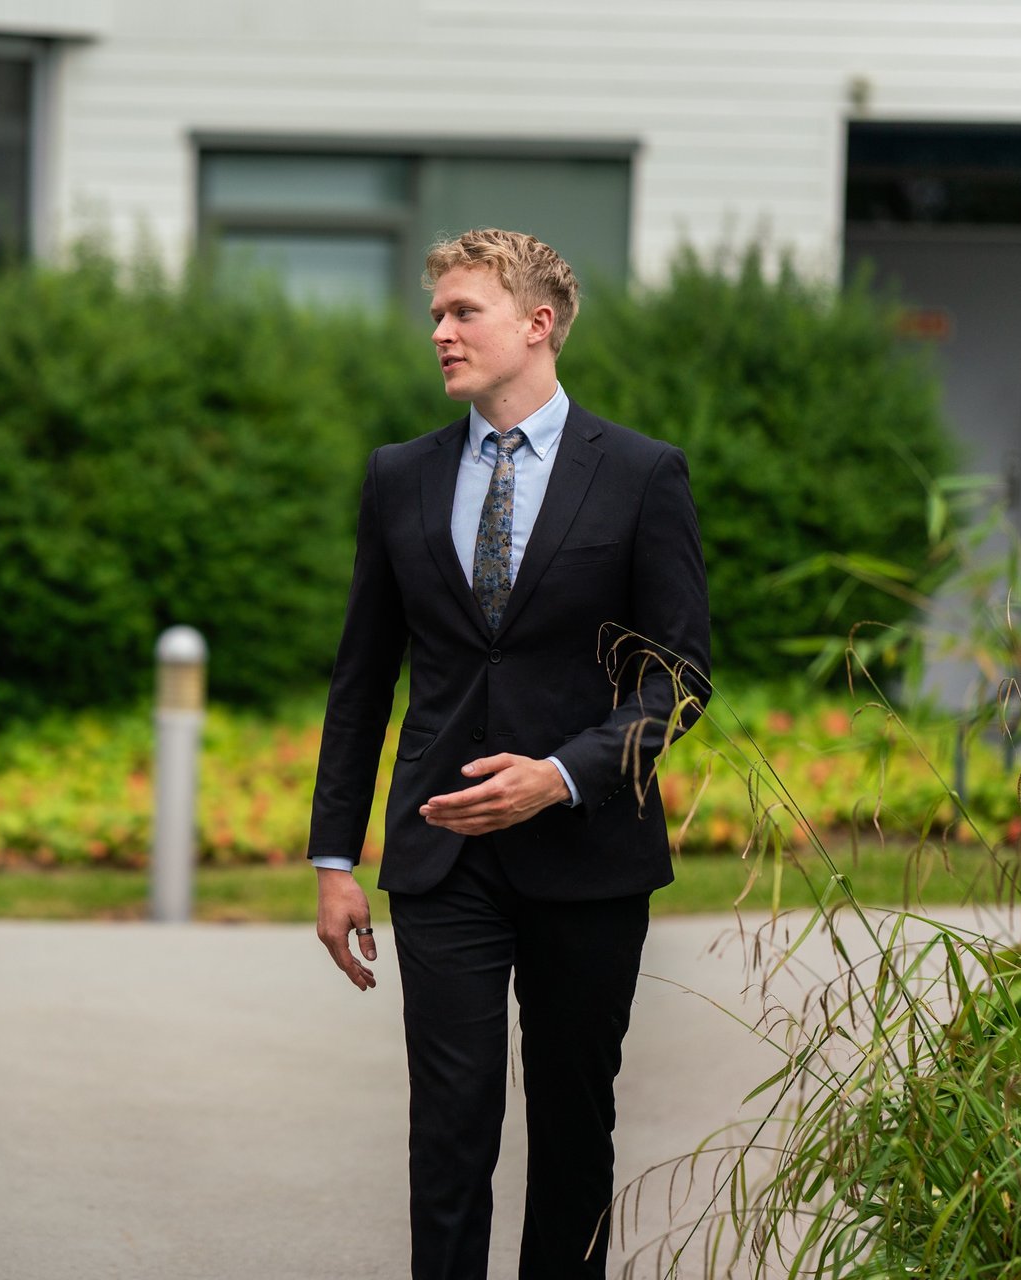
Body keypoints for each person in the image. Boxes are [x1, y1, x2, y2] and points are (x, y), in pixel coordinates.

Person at [308, 228, 710, 1278]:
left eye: (462, 310)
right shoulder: (399, 477)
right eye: (435, 313)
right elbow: (362, 678)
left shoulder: (638, 474)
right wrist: (334, 859)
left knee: (575, 1126)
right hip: (443, 858)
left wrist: (562, 773)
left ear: (537, 324)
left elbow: (679, 676)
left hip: (589, 856)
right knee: (448, 1126)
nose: (439, 331)